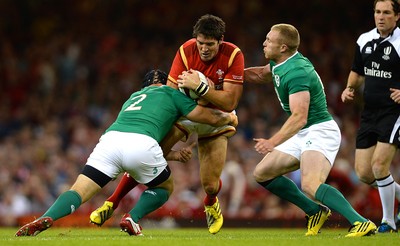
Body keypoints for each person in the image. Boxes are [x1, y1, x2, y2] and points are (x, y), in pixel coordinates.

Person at [14, 69, 238, 237]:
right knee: (164, 186)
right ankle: (133, 217)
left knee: (78, 191)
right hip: (142, 144)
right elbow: (206, 117)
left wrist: (172, 154)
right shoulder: (173, 94)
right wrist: (229, 117)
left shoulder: (133, 97)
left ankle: (46, 217)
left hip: (110, 141)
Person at [89, 14, 244, 234]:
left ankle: (210, 202)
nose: (204, 49)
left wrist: (201, 89)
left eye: (210, 44)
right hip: (189, 112)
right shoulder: (185, 50)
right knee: (149, 151)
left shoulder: (233, 55)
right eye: (201, 43)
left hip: (217, 118)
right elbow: (171, 94)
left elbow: (230, 101)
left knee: (210, 184)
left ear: (221, 41)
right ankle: (111, 202)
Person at [244, 23, 377, 237]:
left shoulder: (297, 72)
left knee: (311, 184)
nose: (264, 42)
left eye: (269, 40)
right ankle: (314, 211)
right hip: (304, 131)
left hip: (319, 130)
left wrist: (273, 141)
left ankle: (361, 222)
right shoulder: (280, 61)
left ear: (283, 47)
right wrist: (228, 77)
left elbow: (299, 117)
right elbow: (261, 75)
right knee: (262, 173)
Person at [341, 0, 400, 233]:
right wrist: (349, 88)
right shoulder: (364, 39)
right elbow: (357, 70)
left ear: (397, 17)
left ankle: (388, 222)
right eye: (377, 12)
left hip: (394, 113)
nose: (381, 16)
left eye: (387, 12)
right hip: (370, 113)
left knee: (378, 166)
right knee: (364, 173)